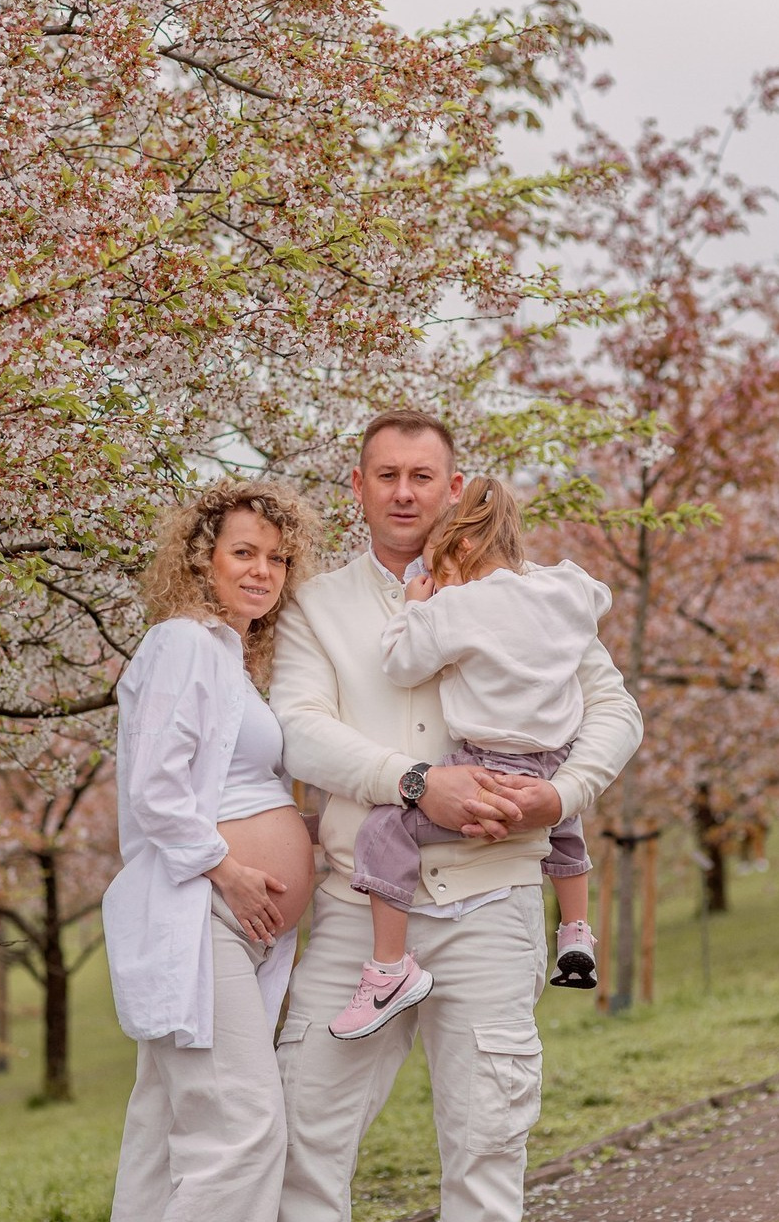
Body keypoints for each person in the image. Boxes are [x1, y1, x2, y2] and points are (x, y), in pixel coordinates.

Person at [269, 410, 642, 1222]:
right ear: (358, 488)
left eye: (423, 476)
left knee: (487, 1144)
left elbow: (615, 710)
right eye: (388, 476)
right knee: (305, 1140)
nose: (405, 493)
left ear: (455, 487)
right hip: (359, 914)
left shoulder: (537, 595)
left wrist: (562, 794)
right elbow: (297, 729)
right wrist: (411, 784)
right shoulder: (316, 607)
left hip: (494, 902)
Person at [103, 479, 322, 1222]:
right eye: (244, 553)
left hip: (231, 924)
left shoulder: (229, 661)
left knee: (165, 1136)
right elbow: (155, 789)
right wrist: (228, 869)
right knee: (242, 1127)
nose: (262, 570)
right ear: (203, 560)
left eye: (278, 559)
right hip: (203, 912)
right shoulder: (182, 643)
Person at [329, 475, 607, 1042]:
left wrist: (414, 603)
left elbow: (402, 661)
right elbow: (596, 601)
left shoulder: (458, 606)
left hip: (487, 764)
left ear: (461, 551)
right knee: (564, 824)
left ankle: (387, 969)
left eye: (439, 569)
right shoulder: (567, 588)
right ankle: (576, 930)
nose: (436, 581)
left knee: (384, 830)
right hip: (554, 762)